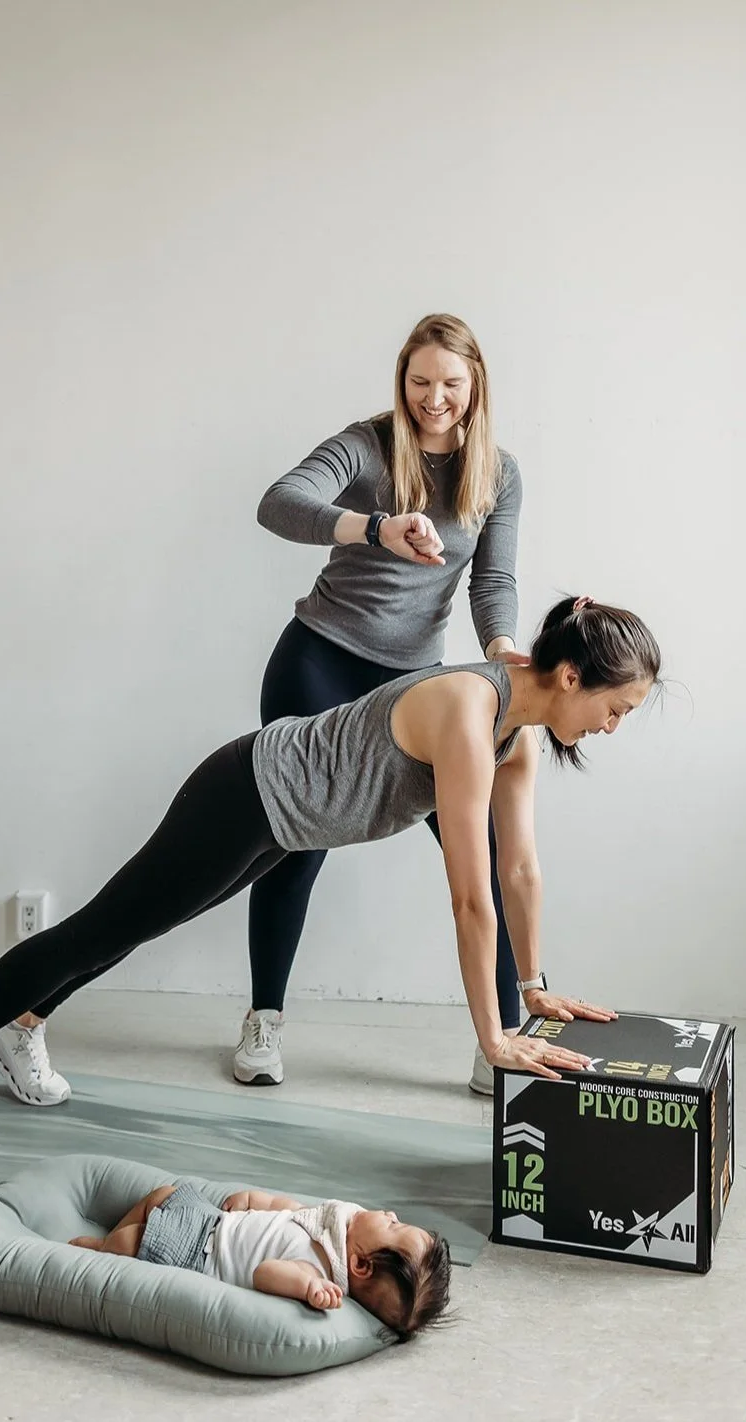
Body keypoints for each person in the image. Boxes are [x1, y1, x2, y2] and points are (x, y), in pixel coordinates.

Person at [0, 595, 660, 1163]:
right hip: (247, 792)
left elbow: (515, 869)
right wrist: (491, 1037)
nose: (611, 726)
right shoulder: (468, 709)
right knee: (103, 928)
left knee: (137, 925)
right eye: (615, 707)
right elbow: (467, 895)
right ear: (566, 675)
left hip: (288, 823)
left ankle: (21, 1029)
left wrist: (532, 987)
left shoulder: (514, 739)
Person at [240, 312, 525, 1095]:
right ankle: (264, 1020)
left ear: (475, 388)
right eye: (420, 380)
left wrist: (500, 649)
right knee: (292, 848)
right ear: (402, 380)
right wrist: (372, 527)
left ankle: (497, 1035)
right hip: (318, 666)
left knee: (482, 855)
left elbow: (490, 584)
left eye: (451, 384)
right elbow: (278, 502)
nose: (434, 398)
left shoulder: (496, 472)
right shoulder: (365, 445)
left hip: (413, 687)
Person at [68, 1180, 451, 1342]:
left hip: (198, 1254)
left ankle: (102, 1250)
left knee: (129, 1241)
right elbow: (291, 1211)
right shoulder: (339, 1226)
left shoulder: (316, 1269)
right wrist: (255, 1199)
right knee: (163, 1194)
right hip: (216, 1222)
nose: (390, 1212)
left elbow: (264, 1272)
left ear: (361, 1266)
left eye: (394, 1226)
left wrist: (309, 1288)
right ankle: (109, 1238)